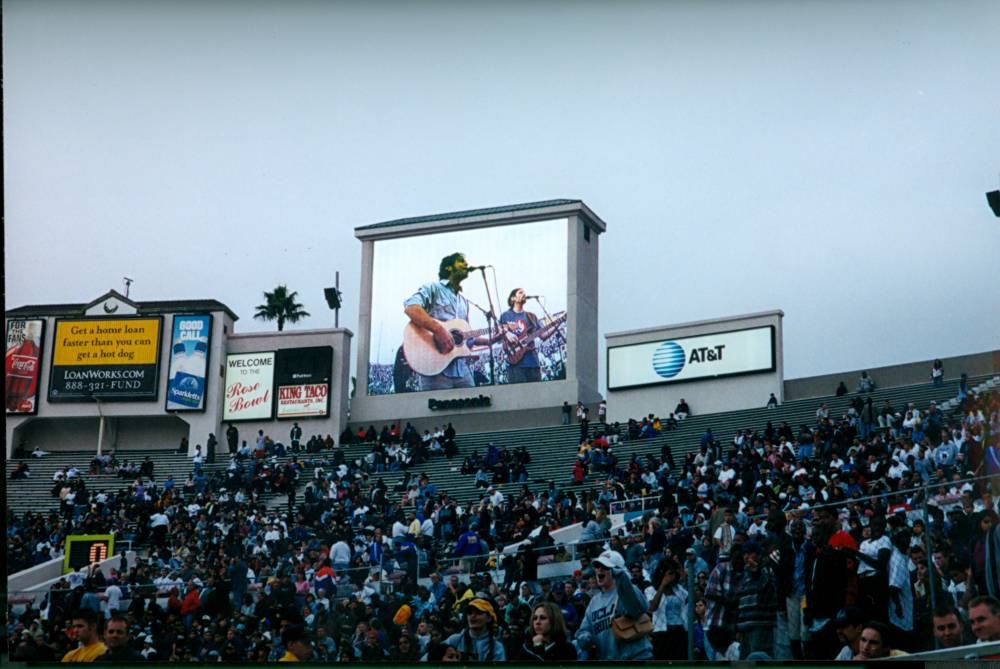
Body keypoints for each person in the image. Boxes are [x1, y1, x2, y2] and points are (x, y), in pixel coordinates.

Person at [575, 549, 653, 660]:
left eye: (605, 567)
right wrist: (584, 637)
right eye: (597, 566)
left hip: (636, 658)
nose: (599, 570)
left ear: (616, 570)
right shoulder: (594, 601)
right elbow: (584, 630)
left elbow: (638, 609)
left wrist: (622, 578)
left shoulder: (627, 591)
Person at [500, 288, 550, 384]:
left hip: (533, 363)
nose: (524, 294)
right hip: (516, 365)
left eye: (524, 292)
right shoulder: (505, 316)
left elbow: (543, 336)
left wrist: (559, 323)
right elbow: (499, 333)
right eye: (520, 292)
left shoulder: (531, 316)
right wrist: (506, 332)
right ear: (513, 298)